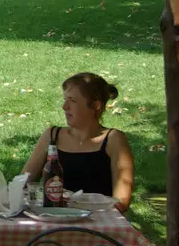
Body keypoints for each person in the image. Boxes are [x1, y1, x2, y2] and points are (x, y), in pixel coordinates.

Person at [20, 72, 135, 213]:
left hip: (96, 223)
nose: (64, 106)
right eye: (65, 99)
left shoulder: (114, 139)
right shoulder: (52, 136)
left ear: (96, 105)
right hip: (53, 220)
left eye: (72, 101)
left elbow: (122, 201)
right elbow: (22, 183)